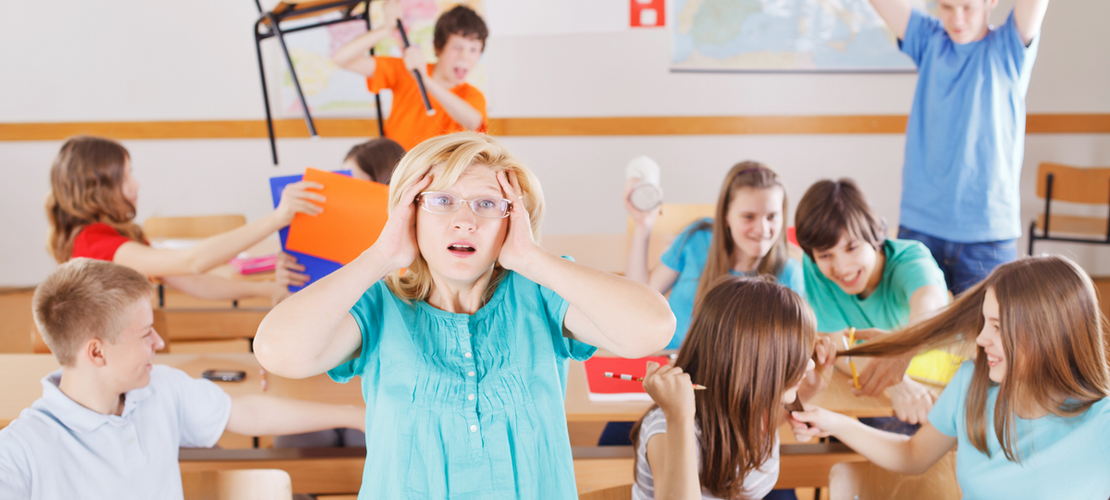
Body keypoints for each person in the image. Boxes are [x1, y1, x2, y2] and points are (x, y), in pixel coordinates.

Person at [252, 132, 675, 499]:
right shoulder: (380, 305)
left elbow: (653, 329)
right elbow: (277, 351)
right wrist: (381, 254)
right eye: (441, 201)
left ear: (512, 221)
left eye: (488, 204)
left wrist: (531, 257)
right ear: (410, 213)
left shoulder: (540, 294)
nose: (464, 221)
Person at [0, 259, 366, 499]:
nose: (159, 342)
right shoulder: (19, 450)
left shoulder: (158, 388)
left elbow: (248, 412)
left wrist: (353, 415)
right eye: (145, 334)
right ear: (97, 352)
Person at [792, 255, 1110, 499]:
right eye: (984, 322)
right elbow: (913, 454)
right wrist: (832, 422)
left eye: (997, 327)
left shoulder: (1103, 422)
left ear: (1049, 334)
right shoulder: (973, 383)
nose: (982, 338)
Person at [867, 0, 1051, 294]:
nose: (957, 18)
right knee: (915, 334)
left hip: (988, 232)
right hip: (922, 225)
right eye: (947, 6)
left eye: (967, 7)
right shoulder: (929, 41)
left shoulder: (1008, 47)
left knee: (988, 334)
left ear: (991, 2)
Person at [46, 136, 319, 304]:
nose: (136, 185)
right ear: (98, 188)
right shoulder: (95, 243)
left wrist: (268, 290)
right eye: (125, 177)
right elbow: (191, 261)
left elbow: (194, 281)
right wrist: (277, 218)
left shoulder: (111, 237)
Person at [631, 276, 818, 500]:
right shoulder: (668, 427)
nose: (810, 364)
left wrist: (815, 383)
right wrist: (679, 417)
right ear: (751, 363)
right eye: (796, 355)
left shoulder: (756, 404)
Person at [794, 179, 954, 427]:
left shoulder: (910, 259)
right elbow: (839, 348)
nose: (842, 268)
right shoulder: (814, 269)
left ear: (875, 235)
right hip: (874, 389)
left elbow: (929, 308)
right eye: (825, 255)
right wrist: (895, 381)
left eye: (852, 248)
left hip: (940, 383)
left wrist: (900, 355)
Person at [624, 161, 804, 350]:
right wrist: (643, 225)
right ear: (726, 215)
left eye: (772, 216)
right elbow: (638, 300)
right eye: (748, 217)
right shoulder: (697, 239)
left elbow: (791, 348)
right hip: (668, 361)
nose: (762, 229)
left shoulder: (789, 274)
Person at [333, 0, 487, 151]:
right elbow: (342, 59)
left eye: (474, 49)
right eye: (457, 47)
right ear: (438, 46)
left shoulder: (471, 96)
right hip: (394, 169)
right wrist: (387, 29)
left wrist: (424, 79)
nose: (465, 57)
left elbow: (473, 123)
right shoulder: (407, 69)